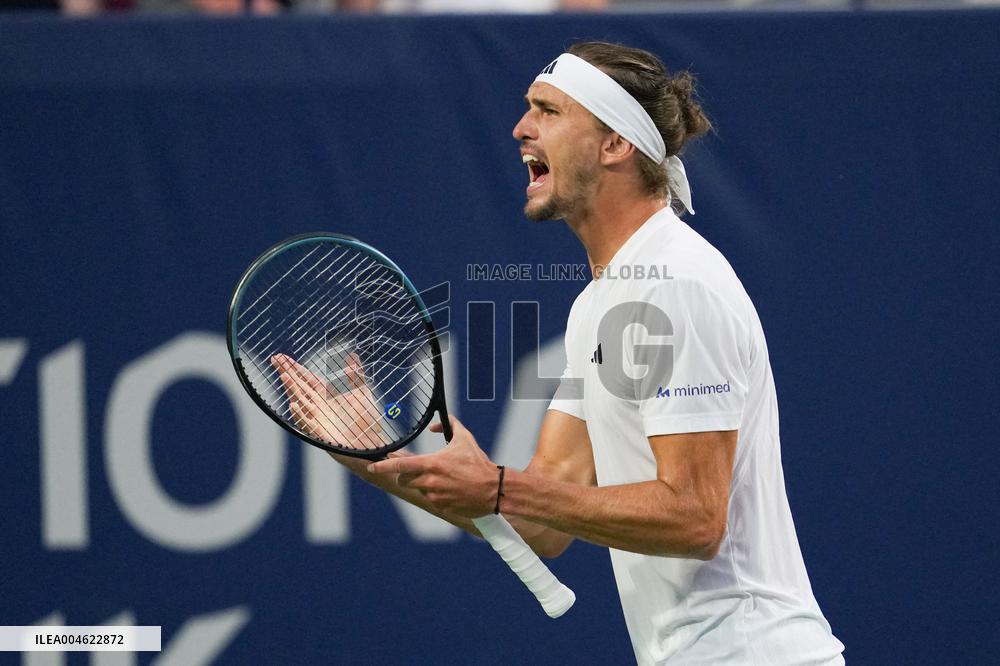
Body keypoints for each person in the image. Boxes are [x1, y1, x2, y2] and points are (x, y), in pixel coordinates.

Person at [277, 41, 844, 664]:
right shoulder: (599, 304)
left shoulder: (676, 282)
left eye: (547, 110)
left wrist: (496, 487)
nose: (520, 128)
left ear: (614, 145)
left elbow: (695, 518)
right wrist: (381, 459)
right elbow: (546, 519)